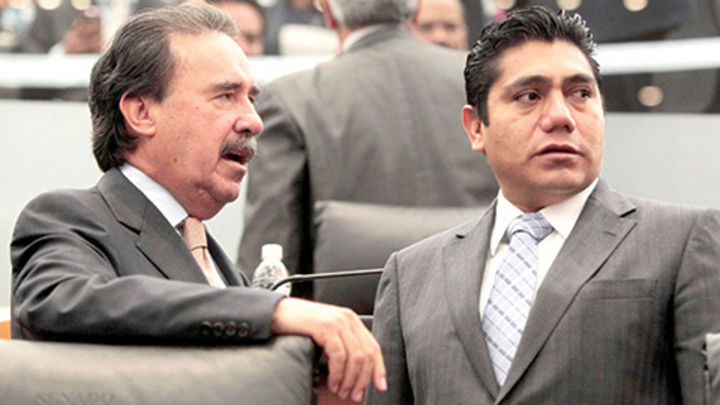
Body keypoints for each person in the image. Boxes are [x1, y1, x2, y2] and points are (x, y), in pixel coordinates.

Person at [10, 4, 384, 403]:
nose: (254, 121)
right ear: (141, 112)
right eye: (226, 96)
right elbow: (64, 300)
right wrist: (272, 311)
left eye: (250, 98)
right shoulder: (66, 220)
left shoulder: (220, 266)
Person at [367, 6, 720, 404]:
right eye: (530, 96)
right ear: (476, 127)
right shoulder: (411, 276)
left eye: (581, 94)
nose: (561, 117)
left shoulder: (683, 242)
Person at [239, 0, 498, 286]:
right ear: (417, 11)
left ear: (327, 12)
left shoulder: (292, 99)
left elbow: (267, 267)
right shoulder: (489, 84)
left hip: (339, 312)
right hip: (481, 301)